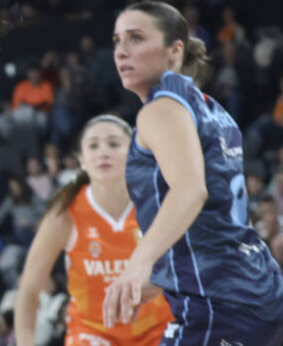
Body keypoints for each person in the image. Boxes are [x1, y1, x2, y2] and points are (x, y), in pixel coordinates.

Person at [103, 1, 283, 344]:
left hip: (218, 303)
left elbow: (191, 191)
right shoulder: (209, 107)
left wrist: (137, 264)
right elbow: (218, 216)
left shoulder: (160, 110)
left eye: (135, 38)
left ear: (174, 50)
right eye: (117, 40)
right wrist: (166, 274)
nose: (121, 51)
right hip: (251, 291)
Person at [14, 115, 173, 346]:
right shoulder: (65, 212)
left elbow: (198, 264)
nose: (103, 152)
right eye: (93, 145)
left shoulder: (159, 201)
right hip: (94, 333)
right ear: (82, 159)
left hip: (158, 329)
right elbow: (29, 290)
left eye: (114, 143)